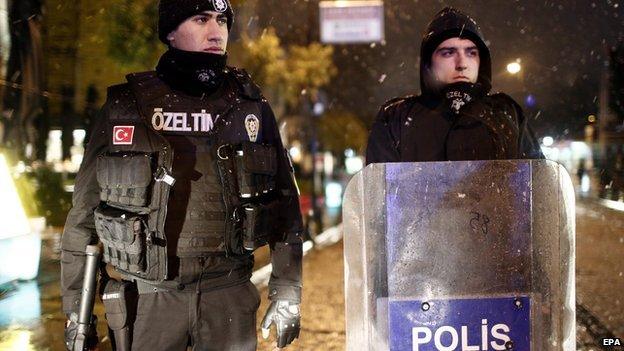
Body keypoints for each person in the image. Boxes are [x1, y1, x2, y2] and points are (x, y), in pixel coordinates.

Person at [61, 1, 303, 350]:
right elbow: (84, 213)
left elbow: (285, 206)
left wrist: (288, 291)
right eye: (201, 19)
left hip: (227, 296)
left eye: (222, 20)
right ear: (171, 31)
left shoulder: (249, 106)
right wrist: (75, 311)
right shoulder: (126, 106)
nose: (216, 30)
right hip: (147, 301)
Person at [366, 7, 544, 164]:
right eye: (448, 53)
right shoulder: (396, 118)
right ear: (428, 63)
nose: (462, 63)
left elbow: (536, 188)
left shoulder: (506, 114)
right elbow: (380, 193)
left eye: (471, 53)